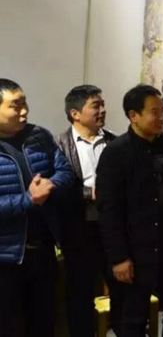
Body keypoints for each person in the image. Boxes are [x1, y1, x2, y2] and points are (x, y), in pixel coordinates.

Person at [96, 85, 163, 337]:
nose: (162, 117)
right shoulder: (115, 153)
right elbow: (109, 210)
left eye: (162, 111)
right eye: (154, 112)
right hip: (135, 252)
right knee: (131, 320)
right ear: (133, 115)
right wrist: (119, 257)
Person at [0, 79, 75, 337]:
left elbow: (65, 171)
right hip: (6, 258)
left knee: (44, 324)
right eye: (15, 105)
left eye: (25, 103)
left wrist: (50, 185)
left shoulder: (39, 136)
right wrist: (28, 199)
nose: (24, 111)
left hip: (43, 252)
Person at [55, 85, 120, 337]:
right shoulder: (58, 145)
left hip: (112, 230)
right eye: (95, 106)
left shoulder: (114, 142)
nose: (102, 110)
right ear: (75, 113)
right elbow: (57, 188)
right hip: (78, 231)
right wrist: (87, 194)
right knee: (79, 294)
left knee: (120, 290)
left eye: (102, 104)